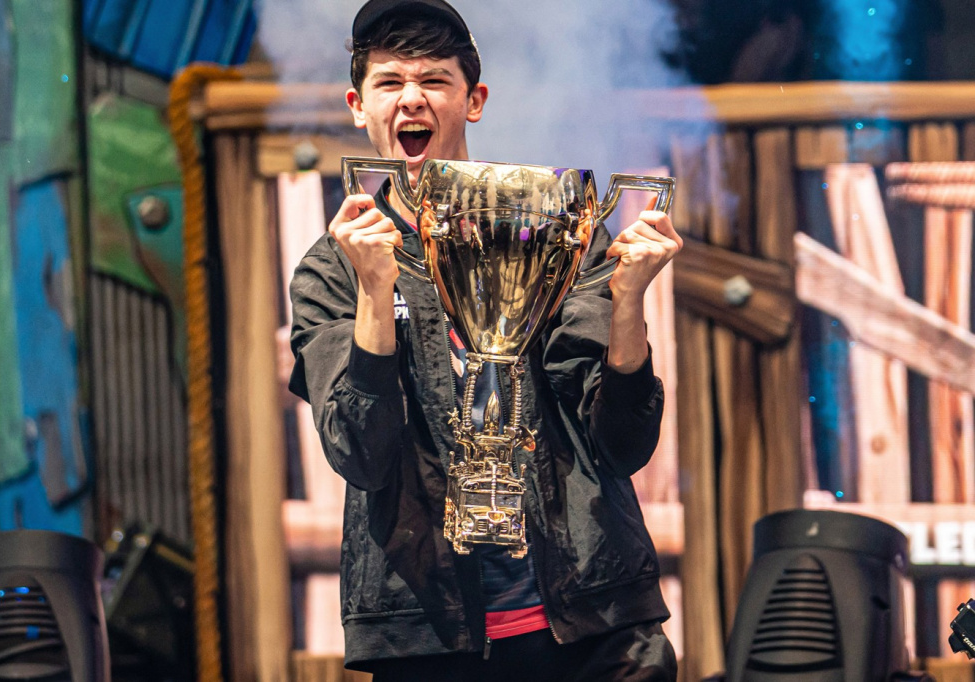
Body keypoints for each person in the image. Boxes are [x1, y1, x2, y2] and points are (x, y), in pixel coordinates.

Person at [288, 1, 683, 679]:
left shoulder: (557, 228)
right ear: (359, 107)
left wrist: (628, 301)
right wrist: (376, 290)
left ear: (474, 101)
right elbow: (361, 453)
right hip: (430, 637)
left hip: (594, 626)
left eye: (434, 80)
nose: (412, 98)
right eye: (389, 82)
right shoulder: (332, 270)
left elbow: (624, 442)